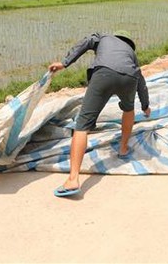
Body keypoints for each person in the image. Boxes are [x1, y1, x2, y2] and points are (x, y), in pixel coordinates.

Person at [48, 30, 151, 197]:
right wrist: (146, 106)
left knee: (82, 124)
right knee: (128, 109)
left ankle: (73, 179)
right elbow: (141, 81)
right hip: (129, 78)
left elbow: (87, 41)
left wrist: (64, 63)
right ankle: (123, 149)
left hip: (104, 73)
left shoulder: (104, 36)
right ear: (128, 43)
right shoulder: (131, 53)